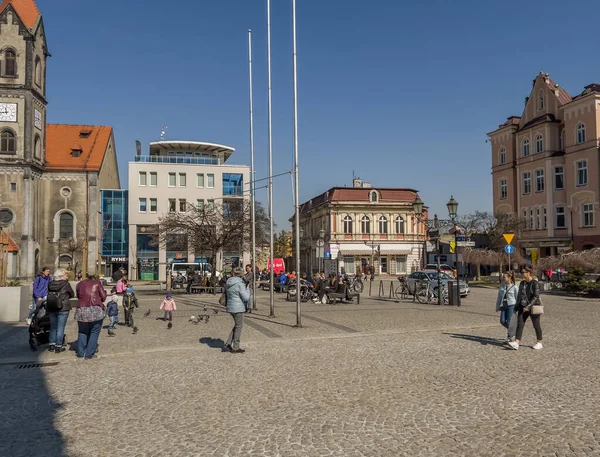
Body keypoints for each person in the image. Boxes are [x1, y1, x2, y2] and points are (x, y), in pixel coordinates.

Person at [509, 267, 543, 350]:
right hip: (522, 306)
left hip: (533, 306)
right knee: (520, 324)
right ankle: (517, 342)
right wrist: (516, 307)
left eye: (523, 272)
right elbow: (519, 296)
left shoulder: (535, 283)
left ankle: (539, 342)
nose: (522, 274)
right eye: (522, 272)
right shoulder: (522, 283)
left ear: (528, 273)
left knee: (536, 325)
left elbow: (536, 296)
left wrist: (528, 307)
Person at [75, 274, 107, 359]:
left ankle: (81, 353)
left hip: (81, 309)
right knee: (94, 332)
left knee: (82, 331)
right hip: (95, 310)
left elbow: (78, 296)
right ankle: (89, 354)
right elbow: (103, 298)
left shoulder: (80, 284)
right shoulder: (97, 283)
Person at [46, 268, 75, 353]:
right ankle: (59, 346)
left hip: (52, 306)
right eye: (66, 275)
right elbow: (72, 294)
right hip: (63, 307)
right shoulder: (66, 284)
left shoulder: (50, 283)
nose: (67, 276)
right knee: (60, 327)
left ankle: (51, 345)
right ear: (61, 276)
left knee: (53, 326)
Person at [224, 267, 250, 354]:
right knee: (239, 327)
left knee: (237, 325)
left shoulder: (229, 282)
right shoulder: (240, 284)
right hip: (238, 307)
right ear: (241, 274)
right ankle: (236, 347)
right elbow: (246, 298)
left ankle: (228, 343)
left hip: (230, 306)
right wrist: (248, 289)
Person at [495, 271, 518, 341]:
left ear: (509, 278)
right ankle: (513, 331)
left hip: (511, 305)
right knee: (502, 321)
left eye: (504, 277)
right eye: (503, 277)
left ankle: (510, 336)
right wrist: (497, 306)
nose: (503, 278)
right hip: (504, 305)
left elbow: (517, 298)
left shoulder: (515, 287)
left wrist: (517, 308)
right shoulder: (502, 285)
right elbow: (499, 297)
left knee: (508, 321)